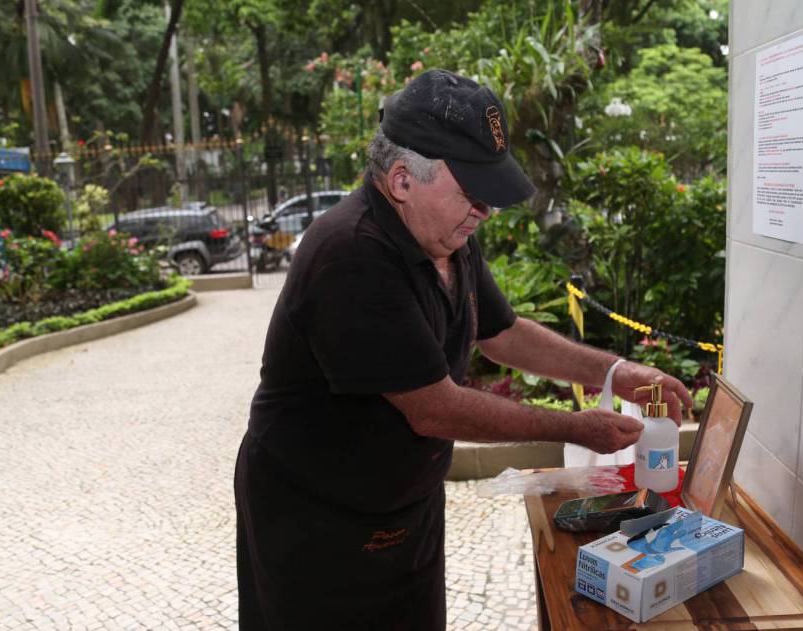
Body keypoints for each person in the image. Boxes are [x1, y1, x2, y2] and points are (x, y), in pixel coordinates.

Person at [234, 69, 692, 629]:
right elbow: (434, 407)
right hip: (318, 517)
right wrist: (574, 426)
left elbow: (503, 334)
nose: (486, 211)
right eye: (473, 194)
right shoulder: (351, 257)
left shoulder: (446, 236)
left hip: (404, 506)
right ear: (402, 180)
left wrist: (615, 370)